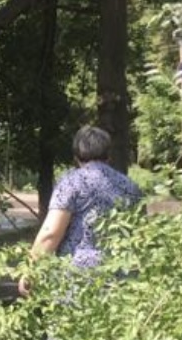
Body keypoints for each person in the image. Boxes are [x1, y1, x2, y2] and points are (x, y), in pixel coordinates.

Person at [19, 125, 143, 293]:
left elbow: (51, 233)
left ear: (76, 155)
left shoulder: (71, 183)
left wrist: (30, 272)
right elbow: (139, 234)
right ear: (108, 155)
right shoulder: (131, 187)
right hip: (121, 278)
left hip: (78, 281)